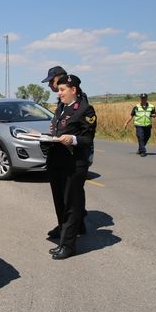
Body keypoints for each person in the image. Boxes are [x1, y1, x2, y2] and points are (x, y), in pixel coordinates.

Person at [44, 75, 97, 260]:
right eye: (58, 90)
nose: (59, 94)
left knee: (71, 205)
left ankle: (68, 246)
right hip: (57, 162)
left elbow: (87, 139)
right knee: (60, 202)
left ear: (73, 90)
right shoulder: (61, 108)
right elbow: (57, 131)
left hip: (74, 164)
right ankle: (63, 239)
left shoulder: (85, 109)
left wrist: (72, 139)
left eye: (62, 90)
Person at [41, 66, 87, 239]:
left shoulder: (78, 100)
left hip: (73, 155)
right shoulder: (62, 100)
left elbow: (82, 131)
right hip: (60, 153)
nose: (51, 87)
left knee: (73, 194)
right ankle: (72, 226)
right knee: (68, 195)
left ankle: (71, 228)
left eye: (52, 82)